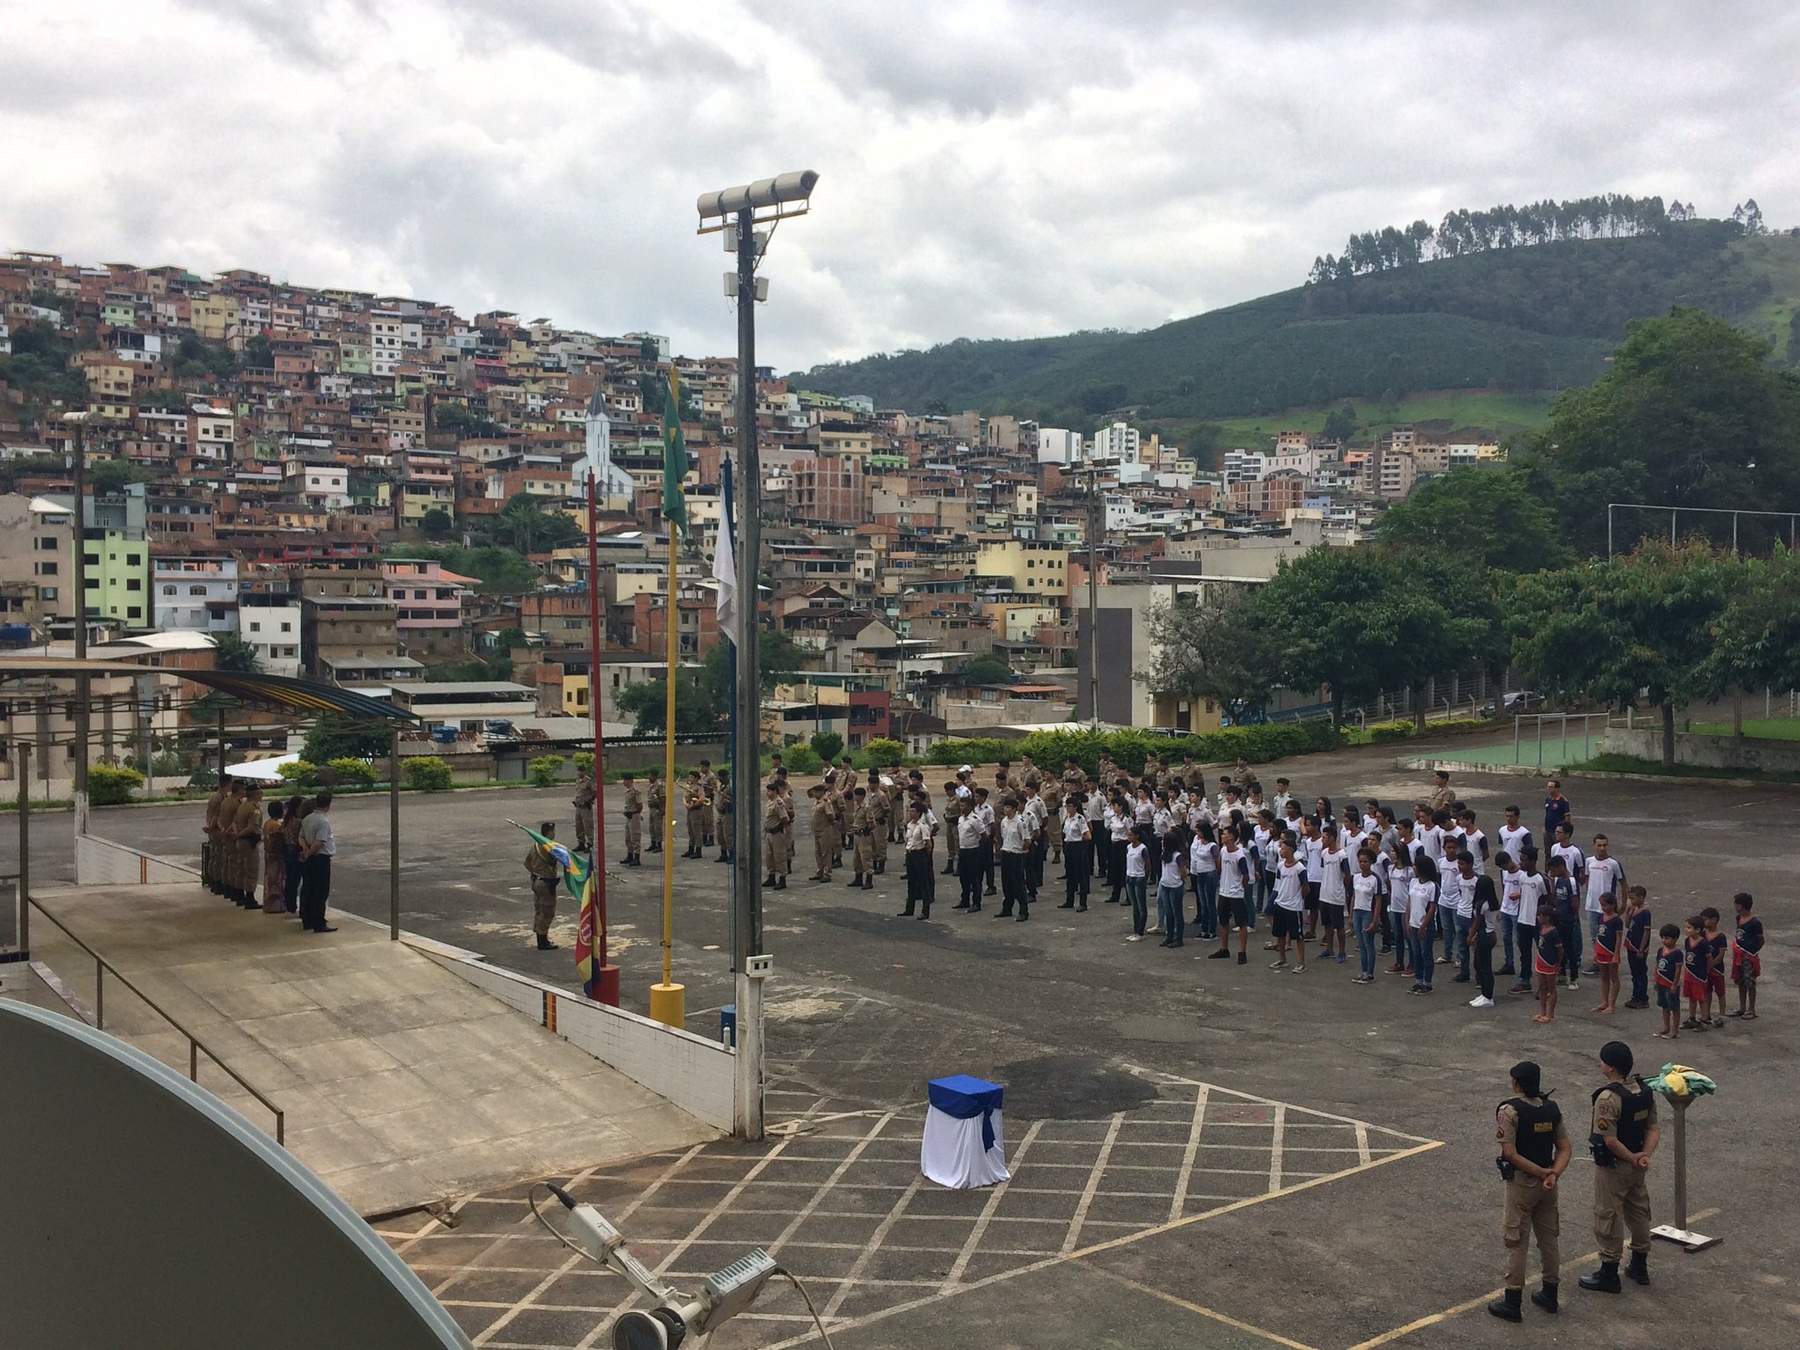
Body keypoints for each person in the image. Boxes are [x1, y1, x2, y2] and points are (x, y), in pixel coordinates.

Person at [1490, 1059, 1571, 1322]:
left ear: (1517, 1084)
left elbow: (1510, 1153)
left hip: (1523, 1183)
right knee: (1549, 1239)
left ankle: (1512, 1300)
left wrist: (1540, 1173)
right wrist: (1553, 1173)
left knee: (1516, 1240)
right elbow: (1565, 1148)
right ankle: (1550, 1292)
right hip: (1548, 1185)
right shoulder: (1551, 1109)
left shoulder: (1510, 1111)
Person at [1579, 1040, 1658, 1295]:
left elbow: (1609, 1139)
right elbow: (1653, 1128)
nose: (1600, 1065)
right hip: (1637, 1163)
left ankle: (1609, 1271)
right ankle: (1639, 1265)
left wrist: (1632, 1158)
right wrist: (1643, 1156)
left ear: (1611, 1067)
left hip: (1615, 1166)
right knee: (1639, 1211)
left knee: (1608, 1215)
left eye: (1602, 1061)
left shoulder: (1609, 1098)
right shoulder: (1644, 1091)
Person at [1582, 834, 1625, 977]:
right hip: (1592, 905)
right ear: (1594, 845)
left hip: (1608, 908)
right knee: (1594, 936)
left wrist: (1623, 904)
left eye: (1604, 845)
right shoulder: (1589, 861)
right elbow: (1587, 879)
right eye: (1599, 845)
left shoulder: (1613, 864)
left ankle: (1610, 960)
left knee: (1609, 936)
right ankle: (1598, 962)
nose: (1602, 848)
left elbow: (1623, 883)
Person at [297, 791, 337, 934]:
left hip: (309, 856)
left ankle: (307, 919)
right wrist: (309, 853)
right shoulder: (323, 821)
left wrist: (305, 850)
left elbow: (301, 837)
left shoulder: (307, 819)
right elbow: (320, 842)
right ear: (328, 805)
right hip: (320, 858)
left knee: (308, 888)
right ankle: (318, 922)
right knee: (320, 891)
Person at [524, 821, 563, 951]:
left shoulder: (535, 845)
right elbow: (560, 859)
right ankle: (542, 940)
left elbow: (527, 863)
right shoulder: (549, 847)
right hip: (546, 882)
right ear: (549, 832)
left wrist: (536, 872)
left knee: (539, 910)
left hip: (536, 881)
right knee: (547, 911)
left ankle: (540, 936)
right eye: (553, 831)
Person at [1511, 849, 1545, 995]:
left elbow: (1547, 899)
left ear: (1532, 861)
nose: (1521, 863)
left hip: (1536, 922)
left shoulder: (1540, 879)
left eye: (1524, 860)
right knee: (1524, 953)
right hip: (1523, 920)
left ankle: (1544, 985)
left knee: (1543, 953)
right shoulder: (1522, 877)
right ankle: (1525, 980)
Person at [1467, 856, 1500, 1008]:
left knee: (1485, 967)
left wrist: (1470, 935)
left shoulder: (1482, 904)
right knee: (1482, 965)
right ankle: (1485, 994)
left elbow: (1478, 921)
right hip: (1490, 934)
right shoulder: (1492, 902)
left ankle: (1488, 996)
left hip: (1485, 935)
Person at [1546, 853, 1581, 989]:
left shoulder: (1571, 881)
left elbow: (1575, 902)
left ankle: (1573, 978)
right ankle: (1561, 975)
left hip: (1568, 920)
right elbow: (1554, 897)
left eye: (1554, 870)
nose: (1552, 873)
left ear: (1560, 867)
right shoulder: (1557, 880)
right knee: (1558, 947)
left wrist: (1573, 918)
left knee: (1569, 948)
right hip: (1558, 919)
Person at [1407, 855, 1440, 995]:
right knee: (1416, 954)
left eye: (1416, 865)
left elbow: (1432, 908)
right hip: (1413, 923)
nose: (1413, 867)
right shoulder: (1413, 882)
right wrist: (1407, 920)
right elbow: (1409, 902)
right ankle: (1418, 980)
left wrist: (1423, 925)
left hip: (1425, 925)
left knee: (1425, 953)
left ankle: (1427, 982)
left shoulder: (1432, 886)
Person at [1728, 891, 1762, 1021]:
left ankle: (1751, 1009)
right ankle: (1742, 1007)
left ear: (1741, 906)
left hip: (1748, 956)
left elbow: (1760, 939)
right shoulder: (1739, 918)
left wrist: (1751, 953)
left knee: (1750, 982)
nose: (1734, 906)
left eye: (1736, 904)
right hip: (1739, 955)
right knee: (1740, 981)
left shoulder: (1755, 922)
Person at [1350, 848, 1381, 984]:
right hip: (1357, 911)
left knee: (1368, 943)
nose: (1362, 864)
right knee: (1361, 944)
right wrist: (1350, 915)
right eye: (1360, 861)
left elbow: (1378, 901)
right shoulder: (1356, 877)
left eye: (1365, 861)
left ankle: (1370, 973)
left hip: (1368, 912)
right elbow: (1353, 897)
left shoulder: (1375, 879)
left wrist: (1375, 920)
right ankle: (1363, 971)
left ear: (1371, 862)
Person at [997, 796, 1030, 921]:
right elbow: (1003, 836)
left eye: (1008, 807)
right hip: (1006, 852)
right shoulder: (1004, 821)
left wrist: (1021, 850)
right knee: (1006, 883)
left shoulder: (1020, 822)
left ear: (1014, 809)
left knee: (1018, 884)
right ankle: (1007, 908)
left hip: (1016, 854)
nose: (1006, 809)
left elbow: (1026, 840)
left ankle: (1023, 911)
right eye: (1005, 807)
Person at [899, 800, 934, 919]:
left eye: (913, 811)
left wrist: (925, 857)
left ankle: (925, 910)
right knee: (911, 882)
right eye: (910, 811)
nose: (911, 813)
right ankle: (909, 908)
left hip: (920, 854)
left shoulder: (922, 826)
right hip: (910, 854)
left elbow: (928, 844)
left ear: (919, 813)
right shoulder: (909, 825)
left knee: (923, 883)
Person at [1592, 894, 1623, 1014]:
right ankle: (1604, 1001)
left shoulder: (1617, 920)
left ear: (1613, 905)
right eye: (1602, 905)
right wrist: (1596, 951)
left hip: (1611, 951)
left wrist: (1616, 954)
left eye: (1605, 905)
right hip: (1601, 950)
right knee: (1604, 977)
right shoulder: (1601, 917)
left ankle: (1612, 1004)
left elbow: (1618, 938)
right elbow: (1598, 935)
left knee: (1614, 977)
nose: (1603, 908)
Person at [1059, 796, 1091, 912]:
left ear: (1075, 807)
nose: (1068, 808)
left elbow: (1088, 835)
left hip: (1078, 846)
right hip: (1069, 846)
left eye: (1070, 806)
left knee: (1081, 875)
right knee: (1070, 875)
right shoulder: (1067, 818)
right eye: (1066, 806)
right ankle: (1069, 900)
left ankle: (1083, 903)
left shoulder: (1080, 818)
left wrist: (1080, 840)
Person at [955, 788, 985, 912]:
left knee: (974, 878)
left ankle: (976, 902)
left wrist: (979, 848)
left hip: (973, 851)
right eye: (961, 805)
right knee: (963, 877)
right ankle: (965, 900)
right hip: (963, 850)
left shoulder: (975, 819)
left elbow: (983, 835)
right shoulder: (961, 819)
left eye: (964, 806)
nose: (962, 808)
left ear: (970, 806)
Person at [1156, 829, 1186, 949]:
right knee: (1168, 912)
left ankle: (1179, 938)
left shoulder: (1177, 856)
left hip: (1175, 886)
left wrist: (1180, 881)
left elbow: (1183, 872)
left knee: (1177, 912)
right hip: (1165, 884)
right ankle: (1169, 936)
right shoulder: (1164, 854)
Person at [1189, 820, 1219, 941]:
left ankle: (1212, 930)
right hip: (1200, 873)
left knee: (1210, 902)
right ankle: (1204, 929)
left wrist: (1218, 874)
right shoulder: (1199, 843)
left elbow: (1217, 861)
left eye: (1199, 831)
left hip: (1209, 873)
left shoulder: (1212, 845)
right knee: (1203, 902)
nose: (1197, 833)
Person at [1681, 914, 1711, 1031]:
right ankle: (1692, 1018)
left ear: (1698, 930)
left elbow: (1709, 958)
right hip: (1689, 973)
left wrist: (1707, 971)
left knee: (1701, 999)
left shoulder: (1703, 943)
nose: (1686, 930)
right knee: (1691, 997)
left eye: (1689, 928)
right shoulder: (1687, 941)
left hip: (1699, 975)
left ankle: (1704, 1020)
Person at [1653, 924, 1683, 1039]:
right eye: (1663, 938)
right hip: (1661, 982)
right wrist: (1656, 979)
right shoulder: (1660, 950)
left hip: (1670, 984)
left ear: (1675, 939)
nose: (1664, 940)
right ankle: (1666, 1027)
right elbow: (1657, 965)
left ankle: (1675, 1030)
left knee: (1674, 1007)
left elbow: (1678, 969)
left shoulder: (1677, 953)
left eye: (1667, 938)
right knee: (1664, 1006)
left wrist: (1674, 984)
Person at [280, 796, 309, 914]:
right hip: (296, 849)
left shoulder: (287, 820)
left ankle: (289, 903)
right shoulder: (298, 821)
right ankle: (292, 904)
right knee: (296, 878)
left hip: (287, 849)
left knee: (290, 878)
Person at [1533, 908, 1561, 1023]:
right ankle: (1542, 1011)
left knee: (1551, 988)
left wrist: (1558, 963)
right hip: (1541, 960)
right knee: (1542, 987)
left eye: (1540, 916)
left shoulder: (1554, 932)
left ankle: (1550, 1013)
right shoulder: (1541, 929)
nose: (1538, 918)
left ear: (1547, 917)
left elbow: (1559, 949)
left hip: (1550, 963)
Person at [1702, 906, 1728, 1028]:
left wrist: (1711, 964)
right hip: (1706, 969)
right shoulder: (1703, 934)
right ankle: (1706, 1014)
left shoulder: (1720, 936)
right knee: (1707, 992)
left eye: (1705, 919)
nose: (1703, 922)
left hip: (1717, 969)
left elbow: (1721, 955)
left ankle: (1722, 1015)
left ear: (1714, 920)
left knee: (1720, 993)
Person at [260, 800, 287, 914]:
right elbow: (279, 841)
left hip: (269, 854)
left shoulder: (267, 823)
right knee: (276, 880)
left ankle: (269, 904)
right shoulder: (276, 825)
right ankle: (276, 905)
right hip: (276, 855)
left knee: (270, 879)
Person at [1123, 825, 1149, 940]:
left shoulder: (1143, 849)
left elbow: (1147, 865)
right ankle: (1135, 930)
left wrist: (1145, 878)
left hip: (1139, 877)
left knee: (1141, 905)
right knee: (1135, 906)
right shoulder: (1129, 847)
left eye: (1131, 835)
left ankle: (1140, 931)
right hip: (1130, 876)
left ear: (1137, 836)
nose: (1128, 837)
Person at [808, 785, 835, 883]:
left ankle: (827, 873)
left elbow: (830, 815)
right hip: (817, 831)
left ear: (821, 792)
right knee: (818, 852)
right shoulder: (817, 802)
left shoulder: (825, 802)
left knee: (825, 853)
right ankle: (820, 871)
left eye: (816, 792)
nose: (814, 794)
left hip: (824, 830)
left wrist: (829, 824)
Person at [621, 773, 644, 867]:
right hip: (628, 816)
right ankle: (630, 855)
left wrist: (634, 813)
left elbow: (640, 805)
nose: (623, 782)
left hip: (634, 816)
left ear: (630, 781)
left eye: (625, 780)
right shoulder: (627, 791)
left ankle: (637, 858)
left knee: (635, 837)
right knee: (628, 837)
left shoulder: (635, 791)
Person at [683, 771, 707, 858]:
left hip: (696, 810)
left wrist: (693, 805)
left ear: (696, 778)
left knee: (696, 831)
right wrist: (686, 804)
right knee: (690, 830)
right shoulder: (689, 787)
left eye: (691, 777)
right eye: (689, 777)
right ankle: (691, 849)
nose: (690, 778)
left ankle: (698, 851)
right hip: (690, 810)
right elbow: (684, 797)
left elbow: (702, 799)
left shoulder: (699, 787)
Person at [572, 766, 596, 853]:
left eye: (580, 771)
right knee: (578, 826)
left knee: (587, 826)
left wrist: (589, 801)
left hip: (586, 807)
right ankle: (581, 843)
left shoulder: (589, 781)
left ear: (584, 772)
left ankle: (590, 844)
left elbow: (595, 792)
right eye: (578, 771)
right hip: (578, 807)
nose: (578, 773)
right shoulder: (578, 781)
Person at [1543, 779, 1571, 846]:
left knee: (1557, 848)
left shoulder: (1563, 801)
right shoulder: (1548, 799)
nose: (1548, 788)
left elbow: (1567, 817)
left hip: (1557, 831)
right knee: (1547, 850)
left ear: (1557, 788)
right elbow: (1547, 813)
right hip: (1548, 830)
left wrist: (1564, 830)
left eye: (1551, 787)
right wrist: (1544, 827)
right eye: (1548, 786)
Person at [715, 769, 733, 863]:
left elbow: (734, 799)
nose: (719, 779)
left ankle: (732, 855)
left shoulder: (731, 786)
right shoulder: (722, 786)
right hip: (720, 812)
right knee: (720, 835)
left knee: (728, 835)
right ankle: (723, 853)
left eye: (720, 777)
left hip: (728, 813)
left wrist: (726, 798)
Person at [645, 769, 665, 853]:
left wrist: (662, 809)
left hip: (657, 808)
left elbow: (663, 798)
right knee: (651, 827)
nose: (648, 777)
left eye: (650, 775)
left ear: (654, 776)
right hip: (652, 809)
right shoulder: (651, 785)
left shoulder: (659, 785)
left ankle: (659, 845)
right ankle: (653, 844)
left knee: (657, 828)